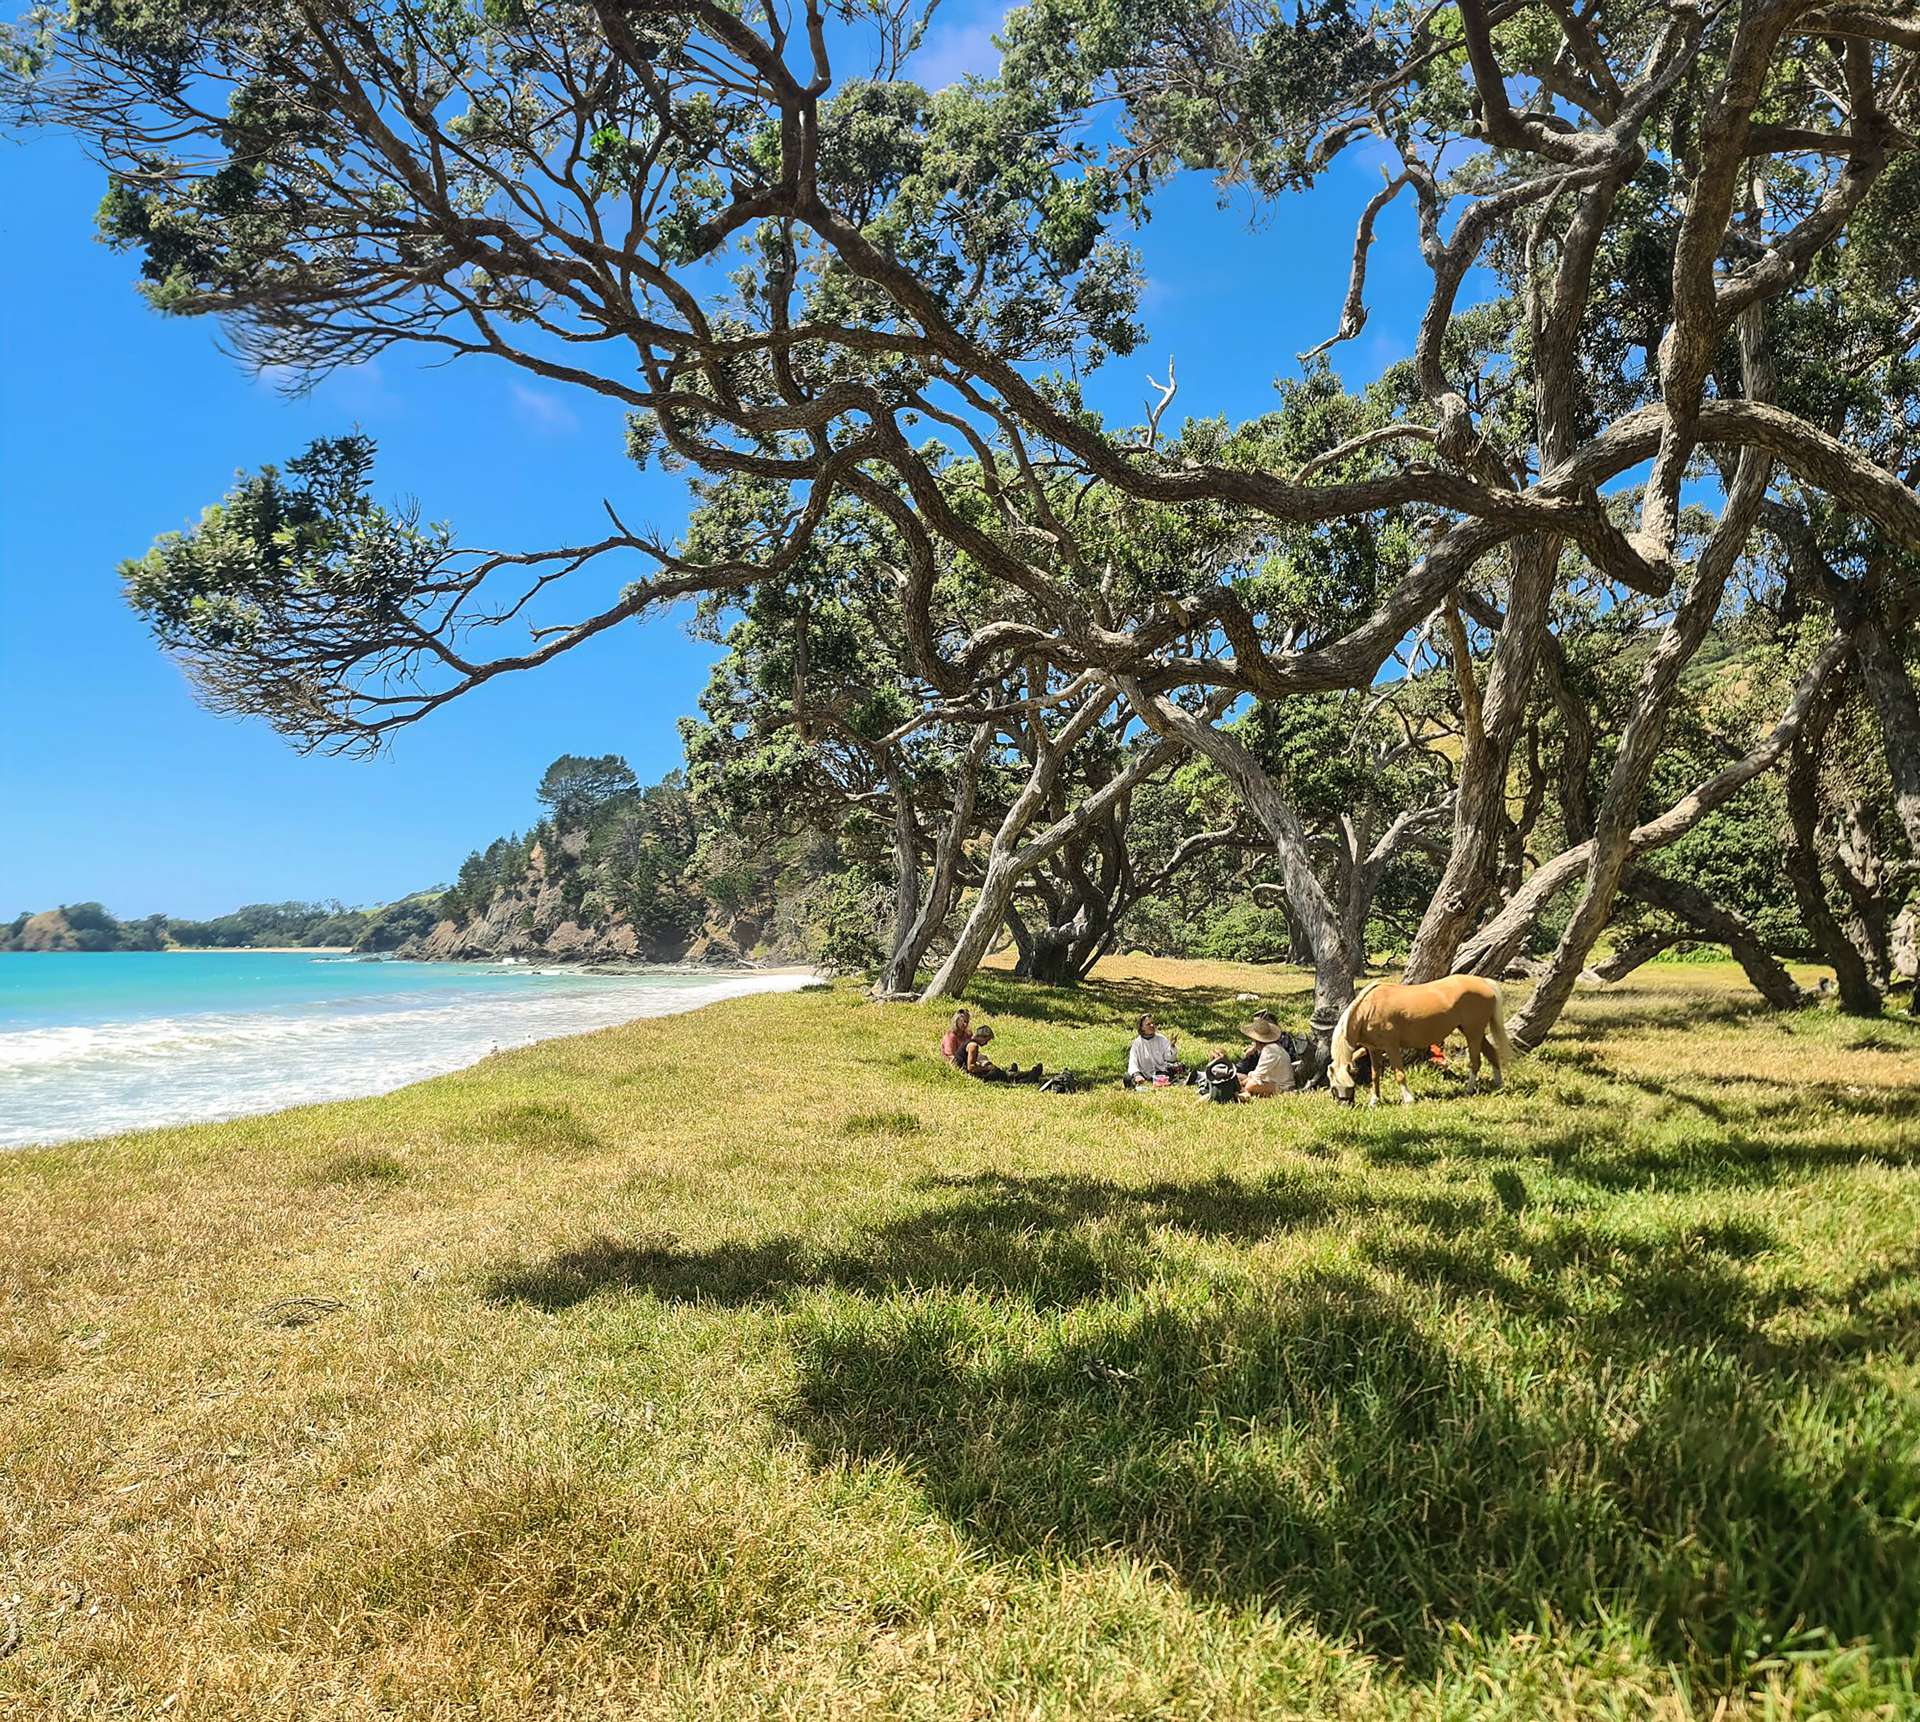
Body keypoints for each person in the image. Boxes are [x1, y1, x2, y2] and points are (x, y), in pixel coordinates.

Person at [1236, 1015, 1295, 1099]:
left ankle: (1245, 1093)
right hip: (1269, 1080)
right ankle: (1244, 1092)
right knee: (1237, 1076)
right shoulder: (1271, 1047)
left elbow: (1257, 1075)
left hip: (1282, 1086)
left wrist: (1242, 1083)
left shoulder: (1270, 1050)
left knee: (1250, 1085)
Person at [964, 1025, 1044, 1084]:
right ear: (981, 1037)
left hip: (973, 1073)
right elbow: (971, 1068)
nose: (986, 1043)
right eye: (986, 1040)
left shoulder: (970, 1043)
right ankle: (1029, 1077)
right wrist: (986, 1068)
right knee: (998, 1073)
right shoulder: (973, 1046)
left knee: (1000, 1073)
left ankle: (1027, 1074)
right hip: (974, 1076)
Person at [1125, 1013, 1182, 1088]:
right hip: (1144, 1073)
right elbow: (1132, 1063)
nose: (1152, 1026)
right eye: (1148, 1024)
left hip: (1160, 1072)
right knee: (1127, 1077)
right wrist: (1137, 1075)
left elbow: (1170, 1058)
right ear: (1142, 1027)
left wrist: (1172, 1046)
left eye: (1153, 1023)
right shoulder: (1137, 1043)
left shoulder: (1161, 1039)